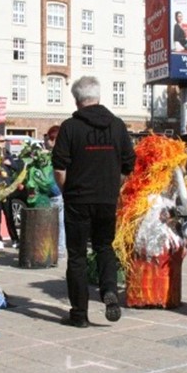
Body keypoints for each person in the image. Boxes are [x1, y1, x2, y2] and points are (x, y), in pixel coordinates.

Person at [52, 76, 135, 327]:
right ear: (98, 97)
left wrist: (68, 190)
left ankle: (79, 314)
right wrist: (113, 185)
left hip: (78, 198)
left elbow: (59, 167)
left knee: (76, 256)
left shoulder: (70, 127)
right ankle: (109, 290)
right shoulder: (117, 126)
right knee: (104, 247)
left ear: (77, 100)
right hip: (107, 199)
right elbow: (129, 163)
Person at [0, 133, 23, 249]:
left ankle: (15, 239)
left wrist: (10, 163)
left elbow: (17, 167)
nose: (3, 143)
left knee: (9, 215)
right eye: (1, 141)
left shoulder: (7, 154)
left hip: (6, 188)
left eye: (4, 141)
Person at [45, 125, 66, 258]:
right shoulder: (64, 152)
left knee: (53, 223)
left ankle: (56, 248)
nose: (47, 141)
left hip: (54, 192)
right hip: (59, 192)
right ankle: (60, 249)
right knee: (60, 223)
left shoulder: (53, 155)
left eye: (49, 138)